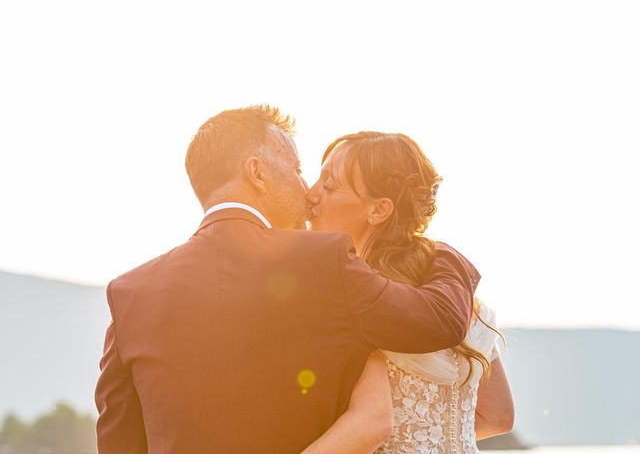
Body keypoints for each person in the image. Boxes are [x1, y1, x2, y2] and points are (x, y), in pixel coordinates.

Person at [94, 106, 481, 453]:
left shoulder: (130, 292)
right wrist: (442, 253)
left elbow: (118, 442)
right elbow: (437, 321)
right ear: (257, 173)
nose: (306, 188)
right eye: (296, 169)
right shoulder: (322, 261)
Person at [303, 131, 514, 453]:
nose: (311, 194)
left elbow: (370, 424)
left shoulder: (360, 301)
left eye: (329, 186)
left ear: (379, 210)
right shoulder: (465, 301)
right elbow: (499, 416)